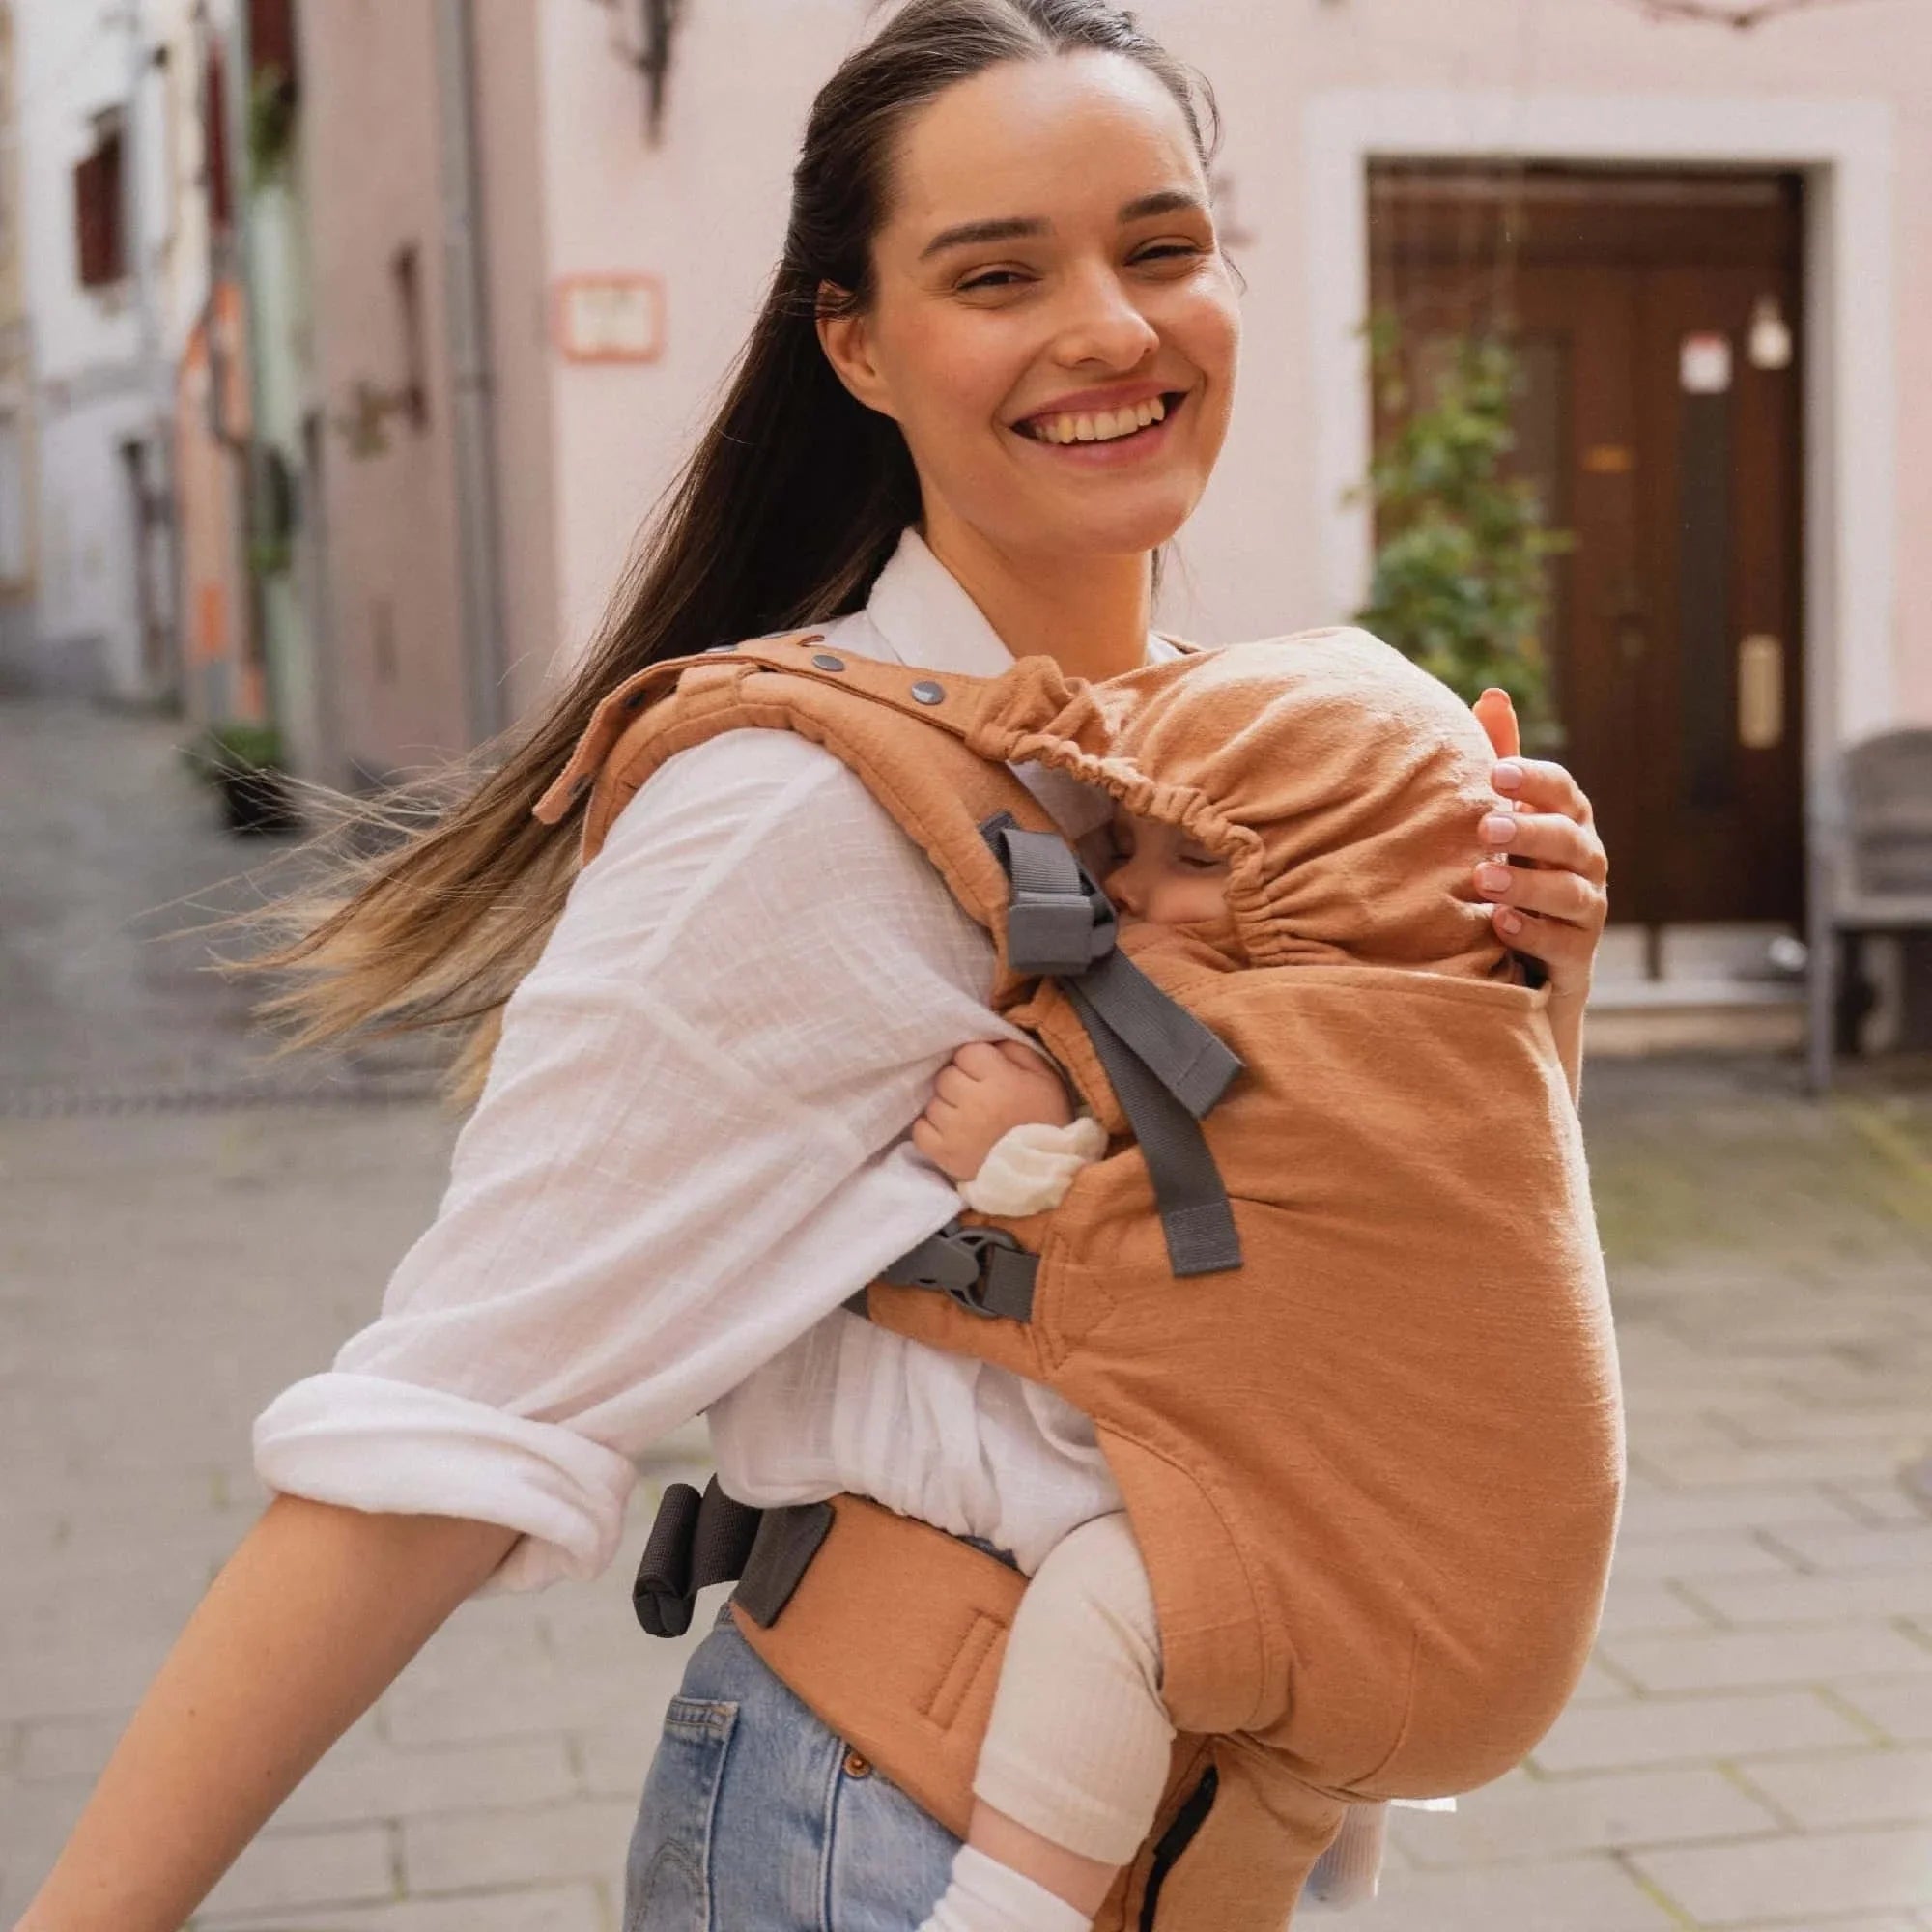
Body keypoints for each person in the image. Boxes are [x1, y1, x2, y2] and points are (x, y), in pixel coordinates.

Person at [14, 6, 1608, 1930]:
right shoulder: (793, 807)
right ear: (856, 339)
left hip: (1189, 1839)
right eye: (997, 272)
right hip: (890, 1833)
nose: (1109, 323)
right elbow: (451, 1416)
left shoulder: (1237, 768)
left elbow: (1368, 1289)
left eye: (1161, 245)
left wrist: (1515, 1002)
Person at [901, 650, 1528, 1932]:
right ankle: (1326, 1832)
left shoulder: (1296, 1031)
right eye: (1125, 842)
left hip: (1393, 1606)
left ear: (1358, 876)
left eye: (1191, 860)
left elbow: (1193, 1273)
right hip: (1439, 1582)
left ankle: (1011, 1907)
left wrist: (1014, 1164)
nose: (1121, 881)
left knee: (1112, 1596)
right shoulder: (1467, 1016)